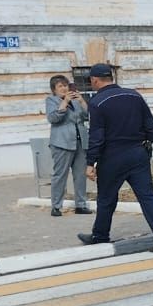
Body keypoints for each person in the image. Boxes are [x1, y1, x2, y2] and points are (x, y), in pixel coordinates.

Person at [79, 64, 153, 251]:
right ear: (111, 77)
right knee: (148, 197)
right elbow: (151, 126)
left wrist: (91, 162)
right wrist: (147, 144)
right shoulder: (134, 95)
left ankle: (100, 236)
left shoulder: (97, 102)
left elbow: (97, 136)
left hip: (112, 156)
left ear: (94, 80)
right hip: (138, 154)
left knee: (106, 198)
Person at [44, 74, 91, 217]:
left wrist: (82, 101)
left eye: (65, 85)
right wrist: (64, 102)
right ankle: (56, 206)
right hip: (62, 143)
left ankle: (81, 205)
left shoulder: (75, 101)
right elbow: (53, 118)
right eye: (60, 86)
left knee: (80, 175)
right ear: (54, 89)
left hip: (80, 142)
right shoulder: (51, 100)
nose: (64, 88)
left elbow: (86, 116)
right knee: (60, 175)